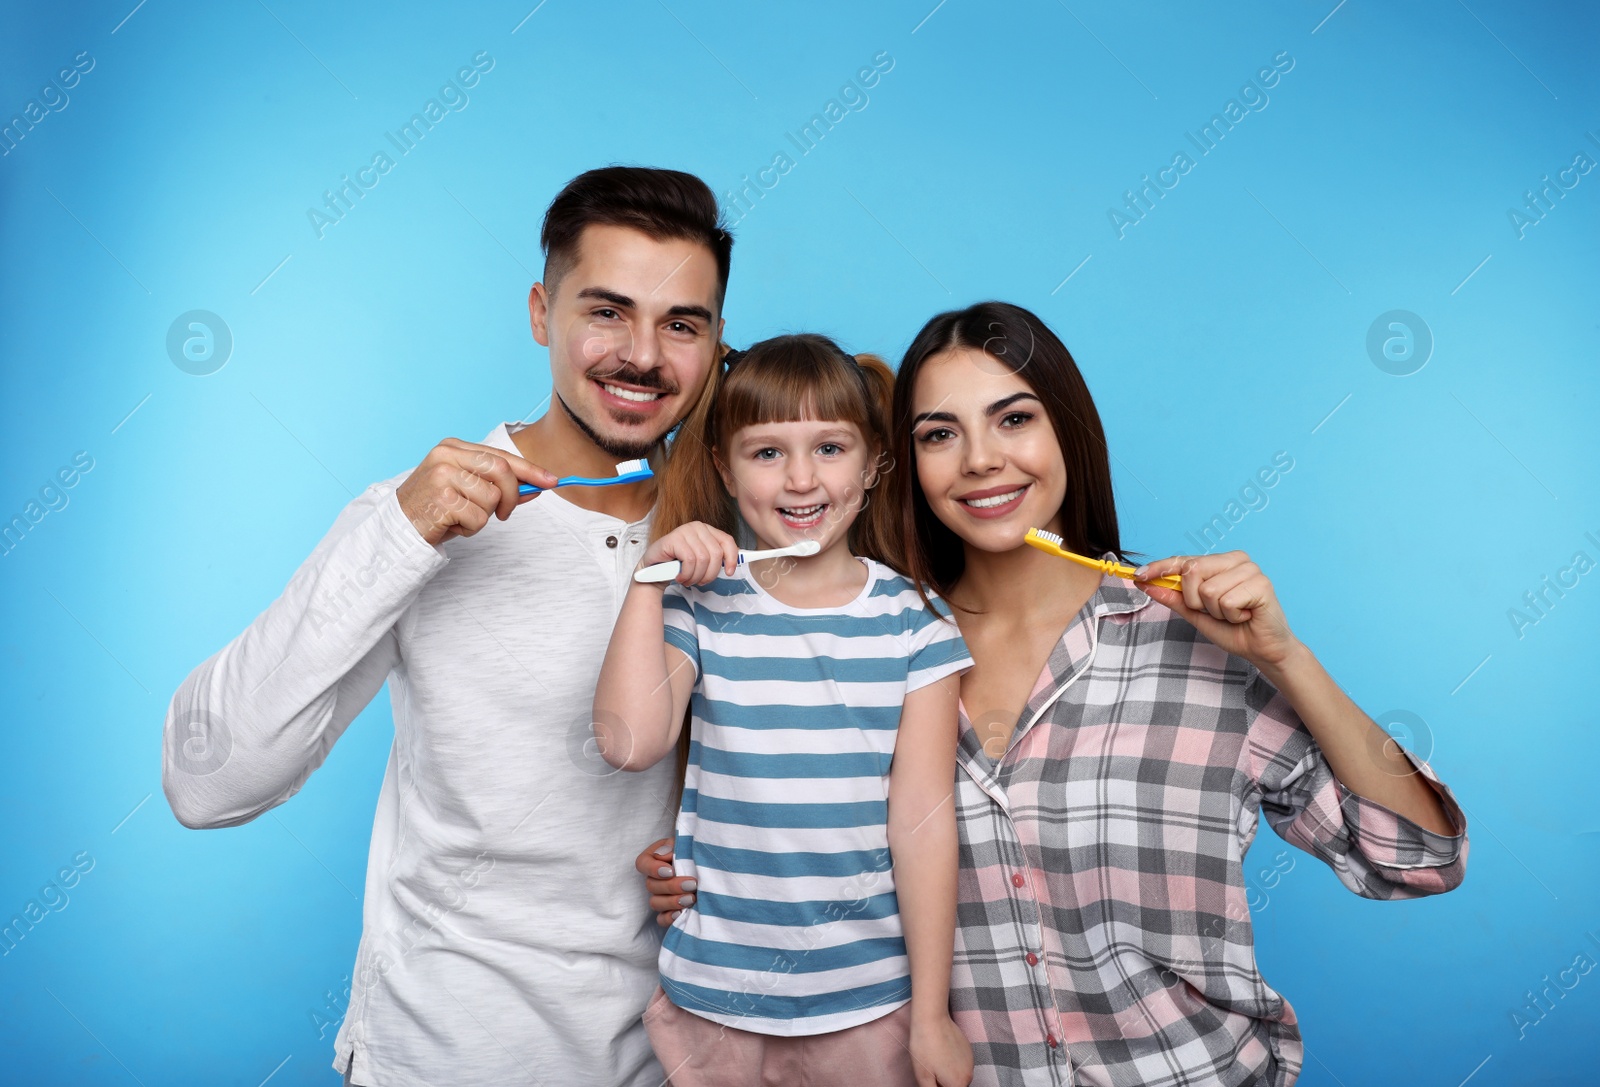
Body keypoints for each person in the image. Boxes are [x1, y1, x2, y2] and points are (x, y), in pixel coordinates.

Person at [639, 301, 1469, 1086]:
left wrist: (1288, 658)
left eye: (1014, 418)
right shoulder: (880, 643)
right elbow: (775, 807)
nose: (980, 460)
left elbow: (1420, 857)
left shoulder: (1192, 642)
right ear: (902, 462)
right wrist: (698, 871)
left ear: (1066, 429)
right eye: (940, 433)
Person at [162, 166, 732, 1086]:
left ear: (715, 343)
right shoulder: (419, 515)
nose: (643, 355)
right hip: (436, 1058)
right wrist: (400, 534)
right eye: (607, 311)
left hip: (665, 1064)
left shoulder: (732, 540)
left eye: (681, 324)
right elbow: (207, 781)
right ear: (542, 312)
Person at [595, 334, 975, 1086]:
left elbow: (923, 821)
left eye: (830, 448)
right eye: (767, 453)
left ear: (871, 465)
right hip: (713, 1003)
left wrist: (931, 1016)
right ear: (723, 469)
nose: (802, 479)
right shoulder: (698, 606)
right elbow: (628, 741)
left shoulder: (916, 623)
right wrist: (648, 580)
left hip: (868, 1008)